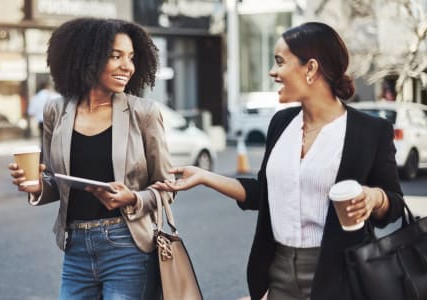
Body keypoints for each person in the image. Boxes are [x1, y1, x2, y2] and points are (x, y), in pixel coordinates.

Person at [153, 22, 404, 300]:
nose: (272, 72)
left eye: (280, 62)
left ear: (310, 69)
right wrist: (205, 177)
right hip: (279, 271)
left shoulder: (369, 131)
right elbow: (264, 193)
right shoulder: (281, 123)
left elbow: (393, 205)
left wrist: (374, 198)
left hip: (340, 273)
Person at [9, 17, 173, 299]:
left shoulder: (144, 113)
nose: (127, 66)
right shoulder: (56, 111)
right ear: (87, 58)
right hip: (75, 248)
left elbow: (166, 186)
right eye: (115, 56)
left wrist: (133, 198)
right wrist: (36, 187)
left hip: (127, 245)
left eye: (131, 57)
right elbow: (54, 179)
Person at [28, 79, 60, 147]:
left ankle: (43, 156)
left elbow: (31, 112)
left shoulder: (35, 97)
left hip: (40, 122)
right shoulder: (54, 96)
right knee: (53, 141)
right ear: (48, 86)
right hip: (52, 121)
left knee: (43, 141)